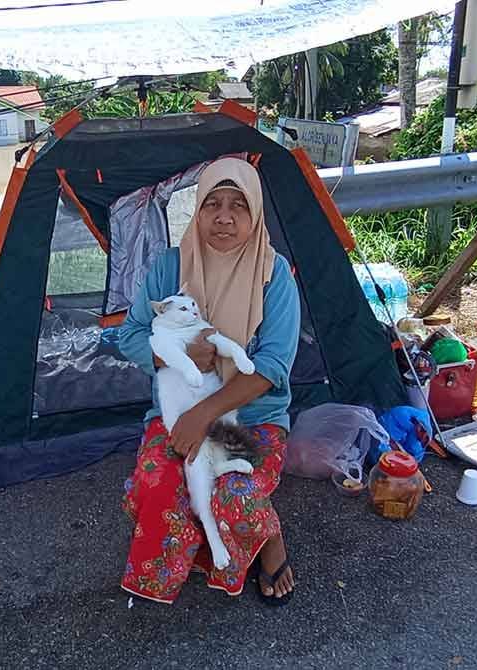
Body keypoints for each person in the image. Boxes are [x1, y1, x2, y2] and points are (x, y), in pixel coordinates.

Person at [117, 157, 301, 605]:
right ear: (197, 210)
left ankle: (269, 542)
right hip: (176, 411)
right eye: (212, 203)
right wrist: (172, 355)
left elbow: (273, 366)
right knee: (159, 479)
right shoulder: (169, 267)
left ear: (255, 213)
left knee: (234, 491)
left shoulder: (274, 276)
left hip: (253, 416)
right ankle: (188, 561)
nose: (224, 216)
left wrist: (204, 415)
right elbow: (130, 336)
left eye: (238, 205)